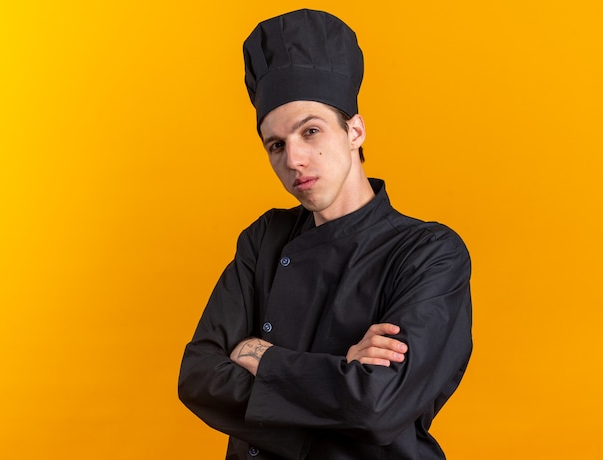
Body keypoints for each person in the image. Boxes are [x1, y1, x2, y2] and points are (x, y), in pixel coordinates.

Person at [178, 8, 472, 460]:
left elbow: (378, 405)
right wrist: (343, 374)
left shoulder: (429, 253)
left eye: (310, 131)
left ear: (354, 130)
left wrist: (262, 357)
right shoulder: (264, 239)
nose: (293, 160)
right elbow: (198, 375)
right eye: (276, 145)